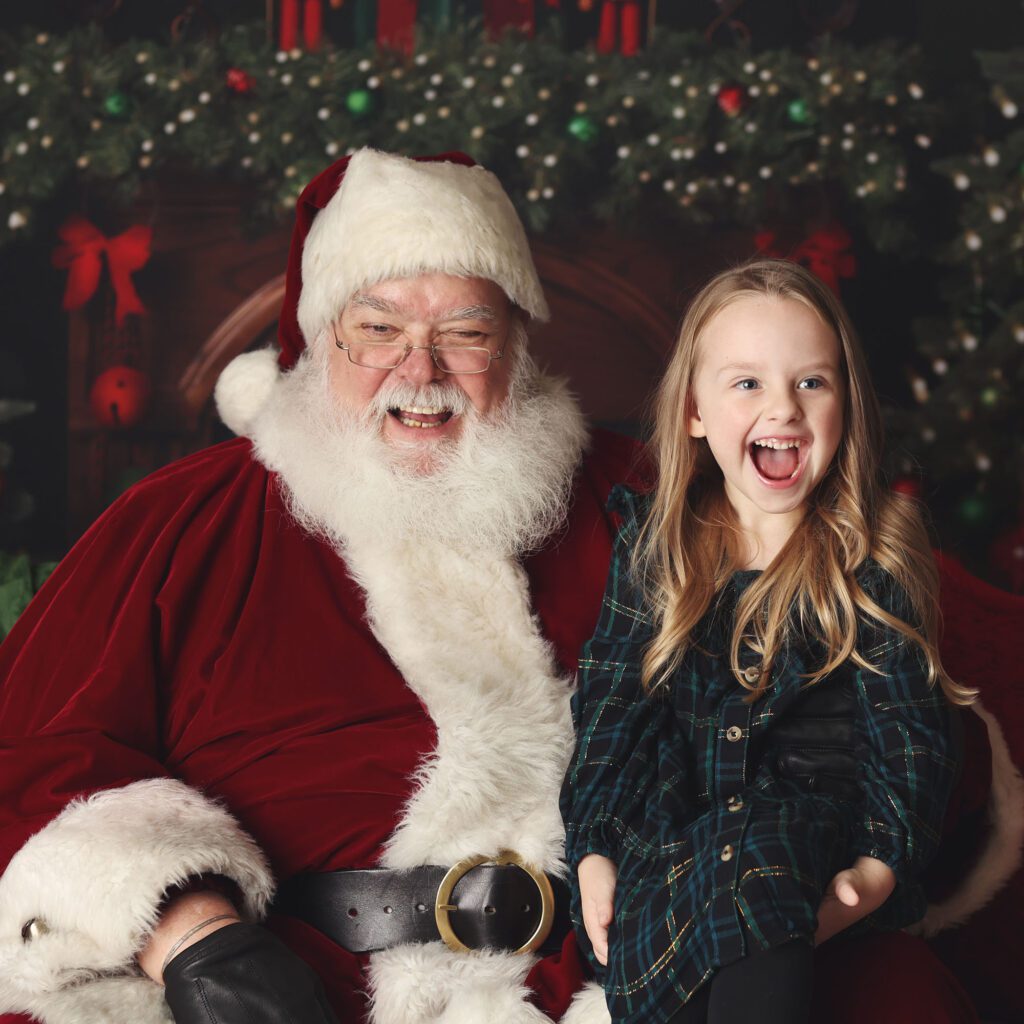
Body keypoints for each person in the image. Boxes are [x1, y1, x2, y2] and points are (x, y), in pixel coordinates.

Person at [0, 152, 1003, 1024]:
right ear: (316, 341)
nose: (420, 370)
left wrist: (781, 864)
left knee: (887, 993)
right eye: (377, 329)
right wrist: (189, 936)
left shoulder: (655, 496)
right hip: (294, 973)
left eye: (467, 333)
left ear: (516, 347)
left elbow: (897, 620)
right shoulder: (186, 522)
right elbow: (34, 746)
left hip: (618, 964)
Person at [561, 259, 978, 1024]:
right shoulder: (659, 549)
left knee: (762, 858)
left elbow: (911, 738)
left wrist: (880, 869)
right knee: (683, 927)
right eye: (747, 383)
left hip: (815, 849)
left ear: (845, 407)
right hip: (680, 844)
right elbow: (614, 711)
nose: (783, 407)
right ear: (694, 411)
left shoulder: (874, 557)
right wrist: (594, 851)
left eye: (811, 382)